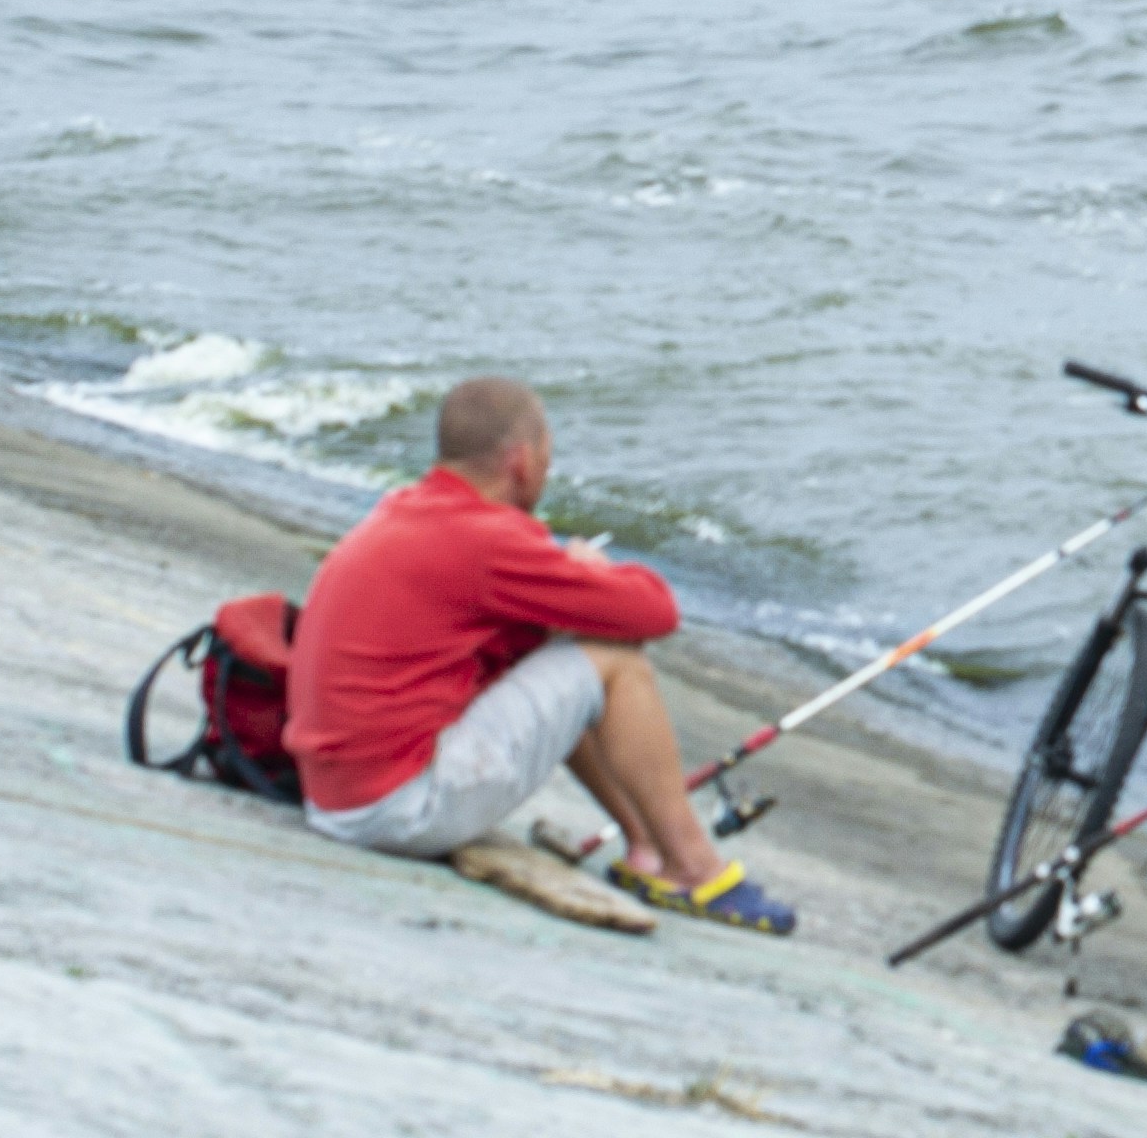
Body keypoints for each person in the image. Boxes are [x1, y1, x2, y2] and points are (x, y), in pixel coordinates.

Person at [284, 375, 799, 934]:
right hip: (397, 809)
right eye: (547, 457)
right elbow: (654, 612)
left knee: (549, 658)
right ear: (522, 461)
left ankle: (648, 846)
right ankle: (694, 868)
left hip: (335, 796)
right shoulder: (486, 538)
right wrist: (589, 572)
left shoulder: (406, 510)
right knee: (615, 662)